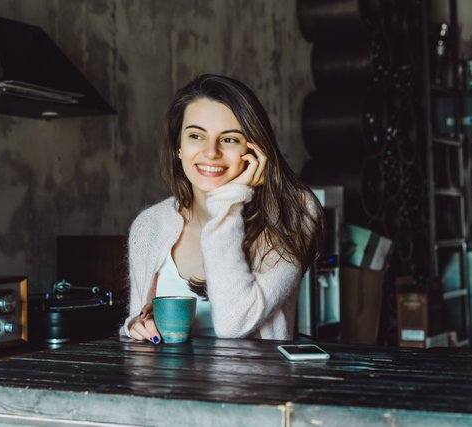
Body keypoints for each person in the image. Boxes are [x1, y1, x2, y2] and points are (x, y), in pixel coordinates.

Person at [119, 74, 325, 343]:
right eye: (196, 136)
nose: (211, 152)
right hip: (169, 384)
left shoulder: (291, 214)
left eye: (229, 139)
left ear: (254, 150)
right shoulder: (149, 226)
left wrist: (228, 203)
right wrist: (136, 326)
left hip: (255, 384)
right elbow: (140, 326)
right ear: (178, 147)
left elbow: (234, 322)